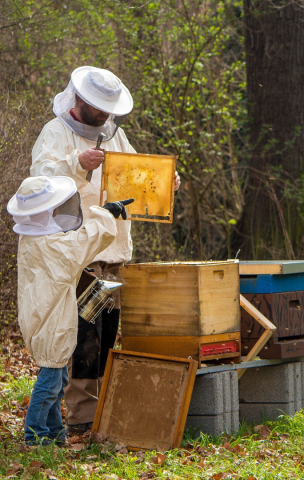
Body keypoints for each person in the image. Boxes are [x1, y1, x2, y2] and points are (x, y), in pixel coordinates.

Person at [30, 66, 181, 433]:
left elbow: (134, 179)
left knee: (108, 334)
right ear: (79, 99)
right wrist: (76, 165)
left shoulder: (115, 133)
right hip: (80, 256)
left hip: (114, 255)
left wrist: (164, 184)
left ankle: (102, 412)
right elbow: (38, 185)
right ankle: (83, 416)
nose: (104, 115)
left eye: (107, 108)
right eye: (98, 107)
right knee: (86, 337)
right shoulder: (55, 133)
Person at [6, 175, 133, 446]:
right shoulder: (52, 247)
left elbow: (70, 242)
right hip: (50, 321)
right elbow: (81, 244)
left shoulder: (33, 239)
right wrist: (105, 213)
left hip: (43, 315)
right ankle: (35, 436)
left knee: (57, 374)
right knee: (51, 379)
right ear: (44, 211)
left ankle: (54, 433)